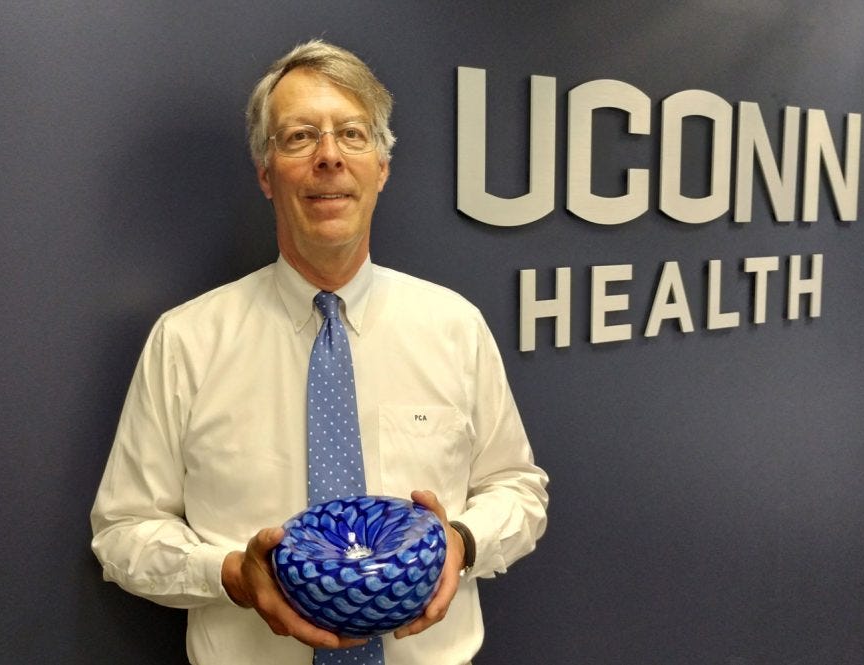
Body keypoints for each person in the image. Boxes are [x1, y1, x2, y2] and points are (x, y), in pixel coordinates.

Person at [90, 39, 548, 665]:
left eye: (352, 135)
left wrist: (463, 542)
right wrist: (228, 574)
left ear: (381, 169)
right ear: (265, 172)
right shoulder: (186, 342)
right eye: (300, 136)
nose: (329, 156)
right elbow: (122, 534)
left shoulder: (454, 325)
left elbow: (517, 488)